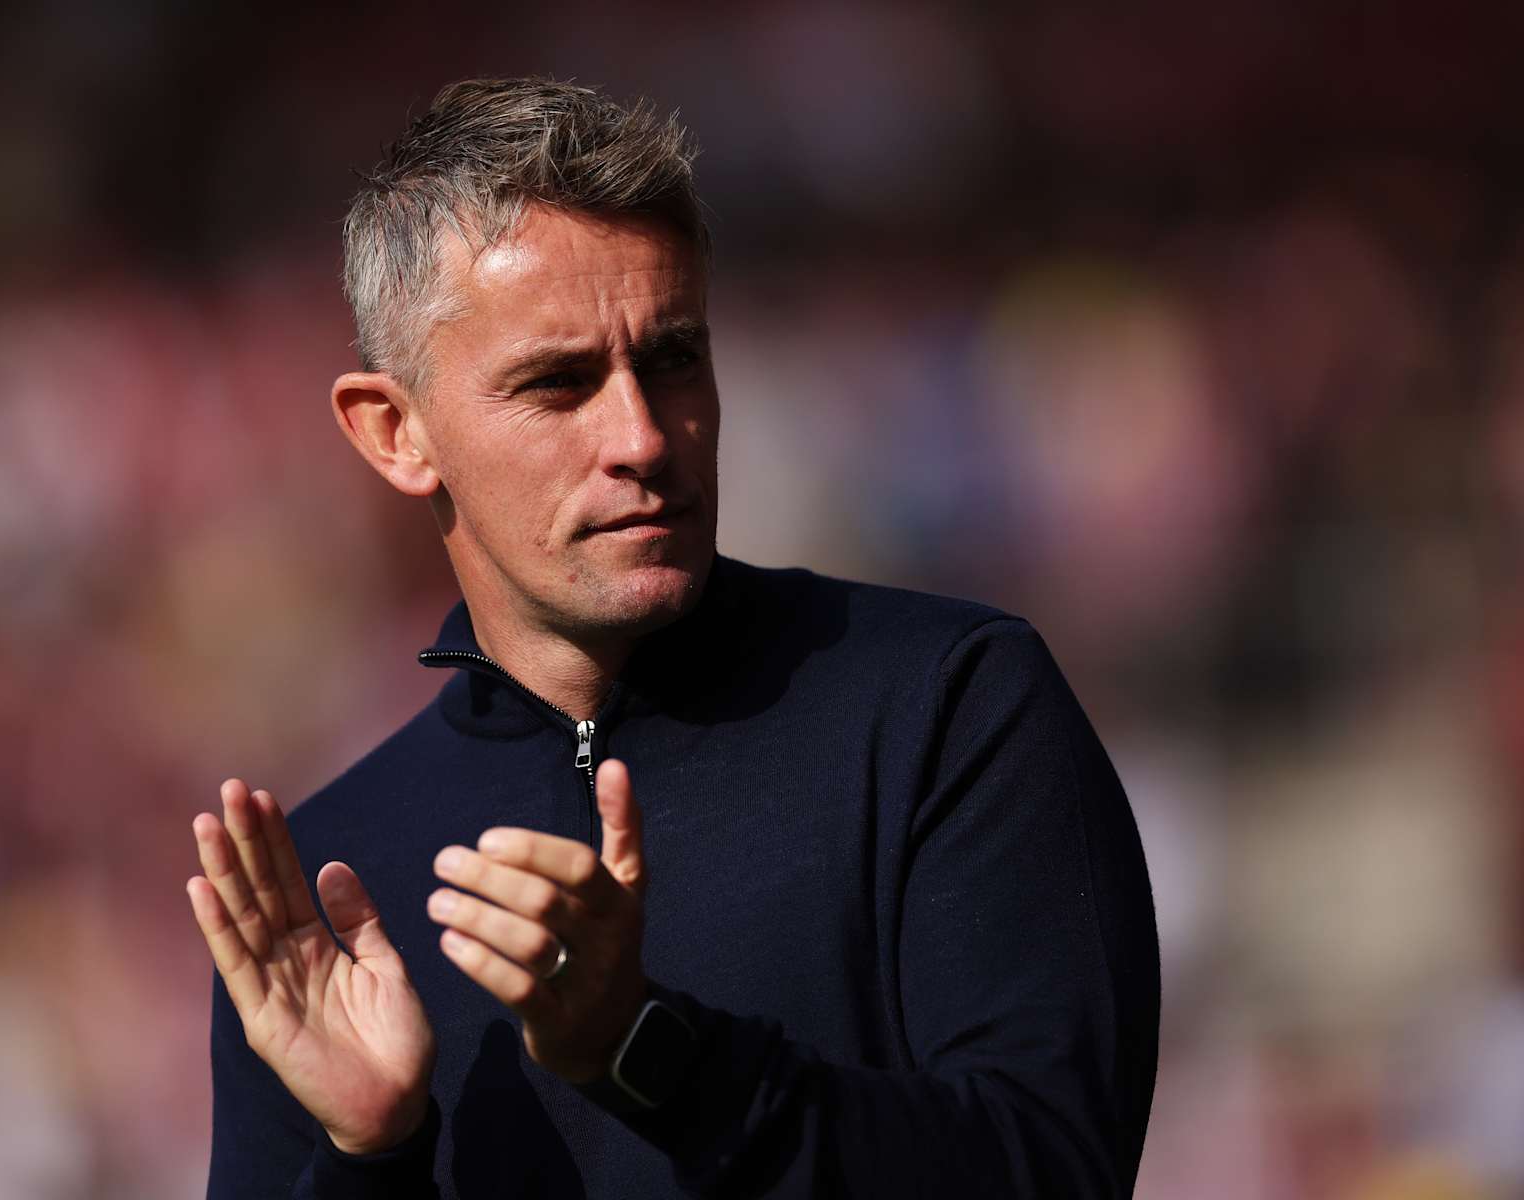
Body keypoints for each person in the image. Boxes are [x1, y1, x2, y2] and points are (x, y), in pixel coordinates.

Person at [187, 77, 1159, 1199]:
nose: (643, 437)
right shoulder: (325, 886)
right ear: (395, 432)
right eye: (557, 384)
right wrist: (370, 1157)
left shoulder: (948, 707)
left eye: (672, 359)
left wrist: (647, 1052)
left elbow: (1050, 1174)